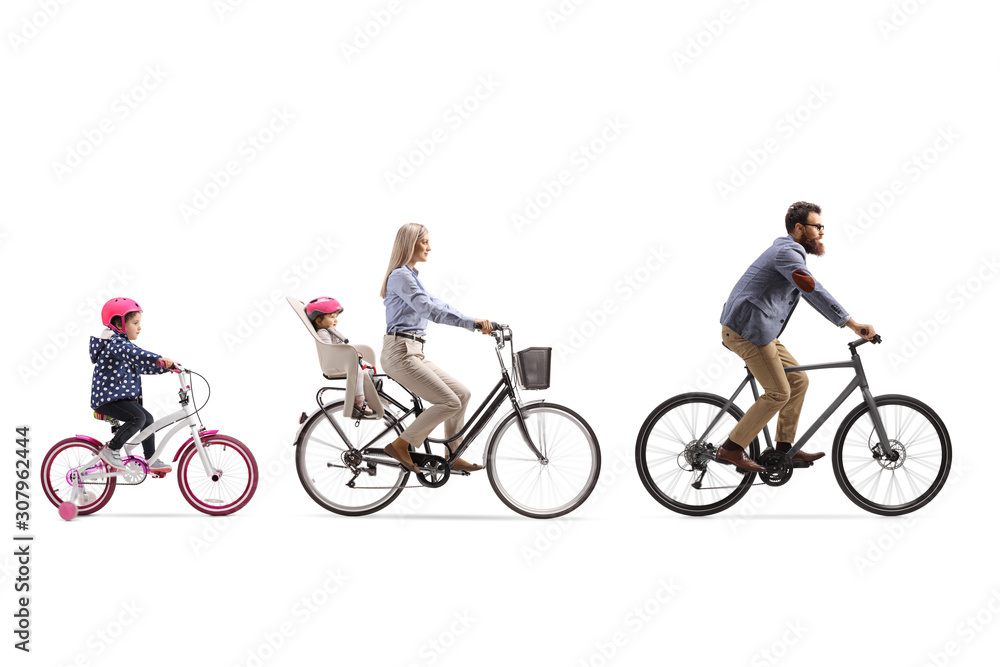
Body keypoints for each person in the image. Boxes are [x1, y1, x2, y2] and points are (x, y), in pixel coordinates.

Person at [717, 202, 876, 472]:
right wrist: (852, 324)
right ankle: (731, 449)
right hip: (747, 331)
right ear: (800, 228)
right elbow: (813, 290)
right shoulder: (787, 252)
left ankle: (784, 449)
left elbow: (808, 293)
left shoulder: (790, 253)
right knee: (778, 393)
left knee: (798, 380)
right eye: (817, 227)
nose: (822, 232)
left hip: (761, 330)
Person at [378, 223, 493, 473]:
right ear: (410, 244)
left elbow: (437, 304)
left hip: (413, 351)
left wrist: (473, 321)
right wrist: (469, 323)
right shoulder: (400, 276)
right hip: (400, 352)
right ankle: (401, 444)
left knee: (461, 394)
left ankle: (453, 455)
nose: (430, 247)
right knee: (449, 402)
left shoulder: (411, 276)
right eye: (425, 242)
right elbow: (429, 311)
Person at [90, 297, 175, 474]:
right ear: (118, 324)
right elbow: (137, 354)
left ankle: (150, 458)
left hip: (119, 398)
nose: (139, 327)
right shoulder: (115, 344)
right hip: (108, 398)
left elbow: (142, 365)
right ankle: (111, 450)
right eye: (135, 322)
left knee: (148, 420)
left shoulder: (123, 348)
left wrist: (168, 368)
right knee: (137, 418)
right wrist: (158, 358)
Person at [306, 296, 377, 418]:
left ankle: (377, 396)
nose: (335, 320)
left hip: (341, 360)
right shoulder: (323, 333)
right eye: (332, 317)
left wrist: (353, 354)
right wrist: (351, 355)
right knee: (359, 372)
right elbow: (330, 349)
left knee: (369, 369)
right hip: (334, 363)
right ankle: (358, 401)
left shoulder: (331, 331)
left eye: (336, 317)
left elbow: (340, 345)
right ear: (318, 321)